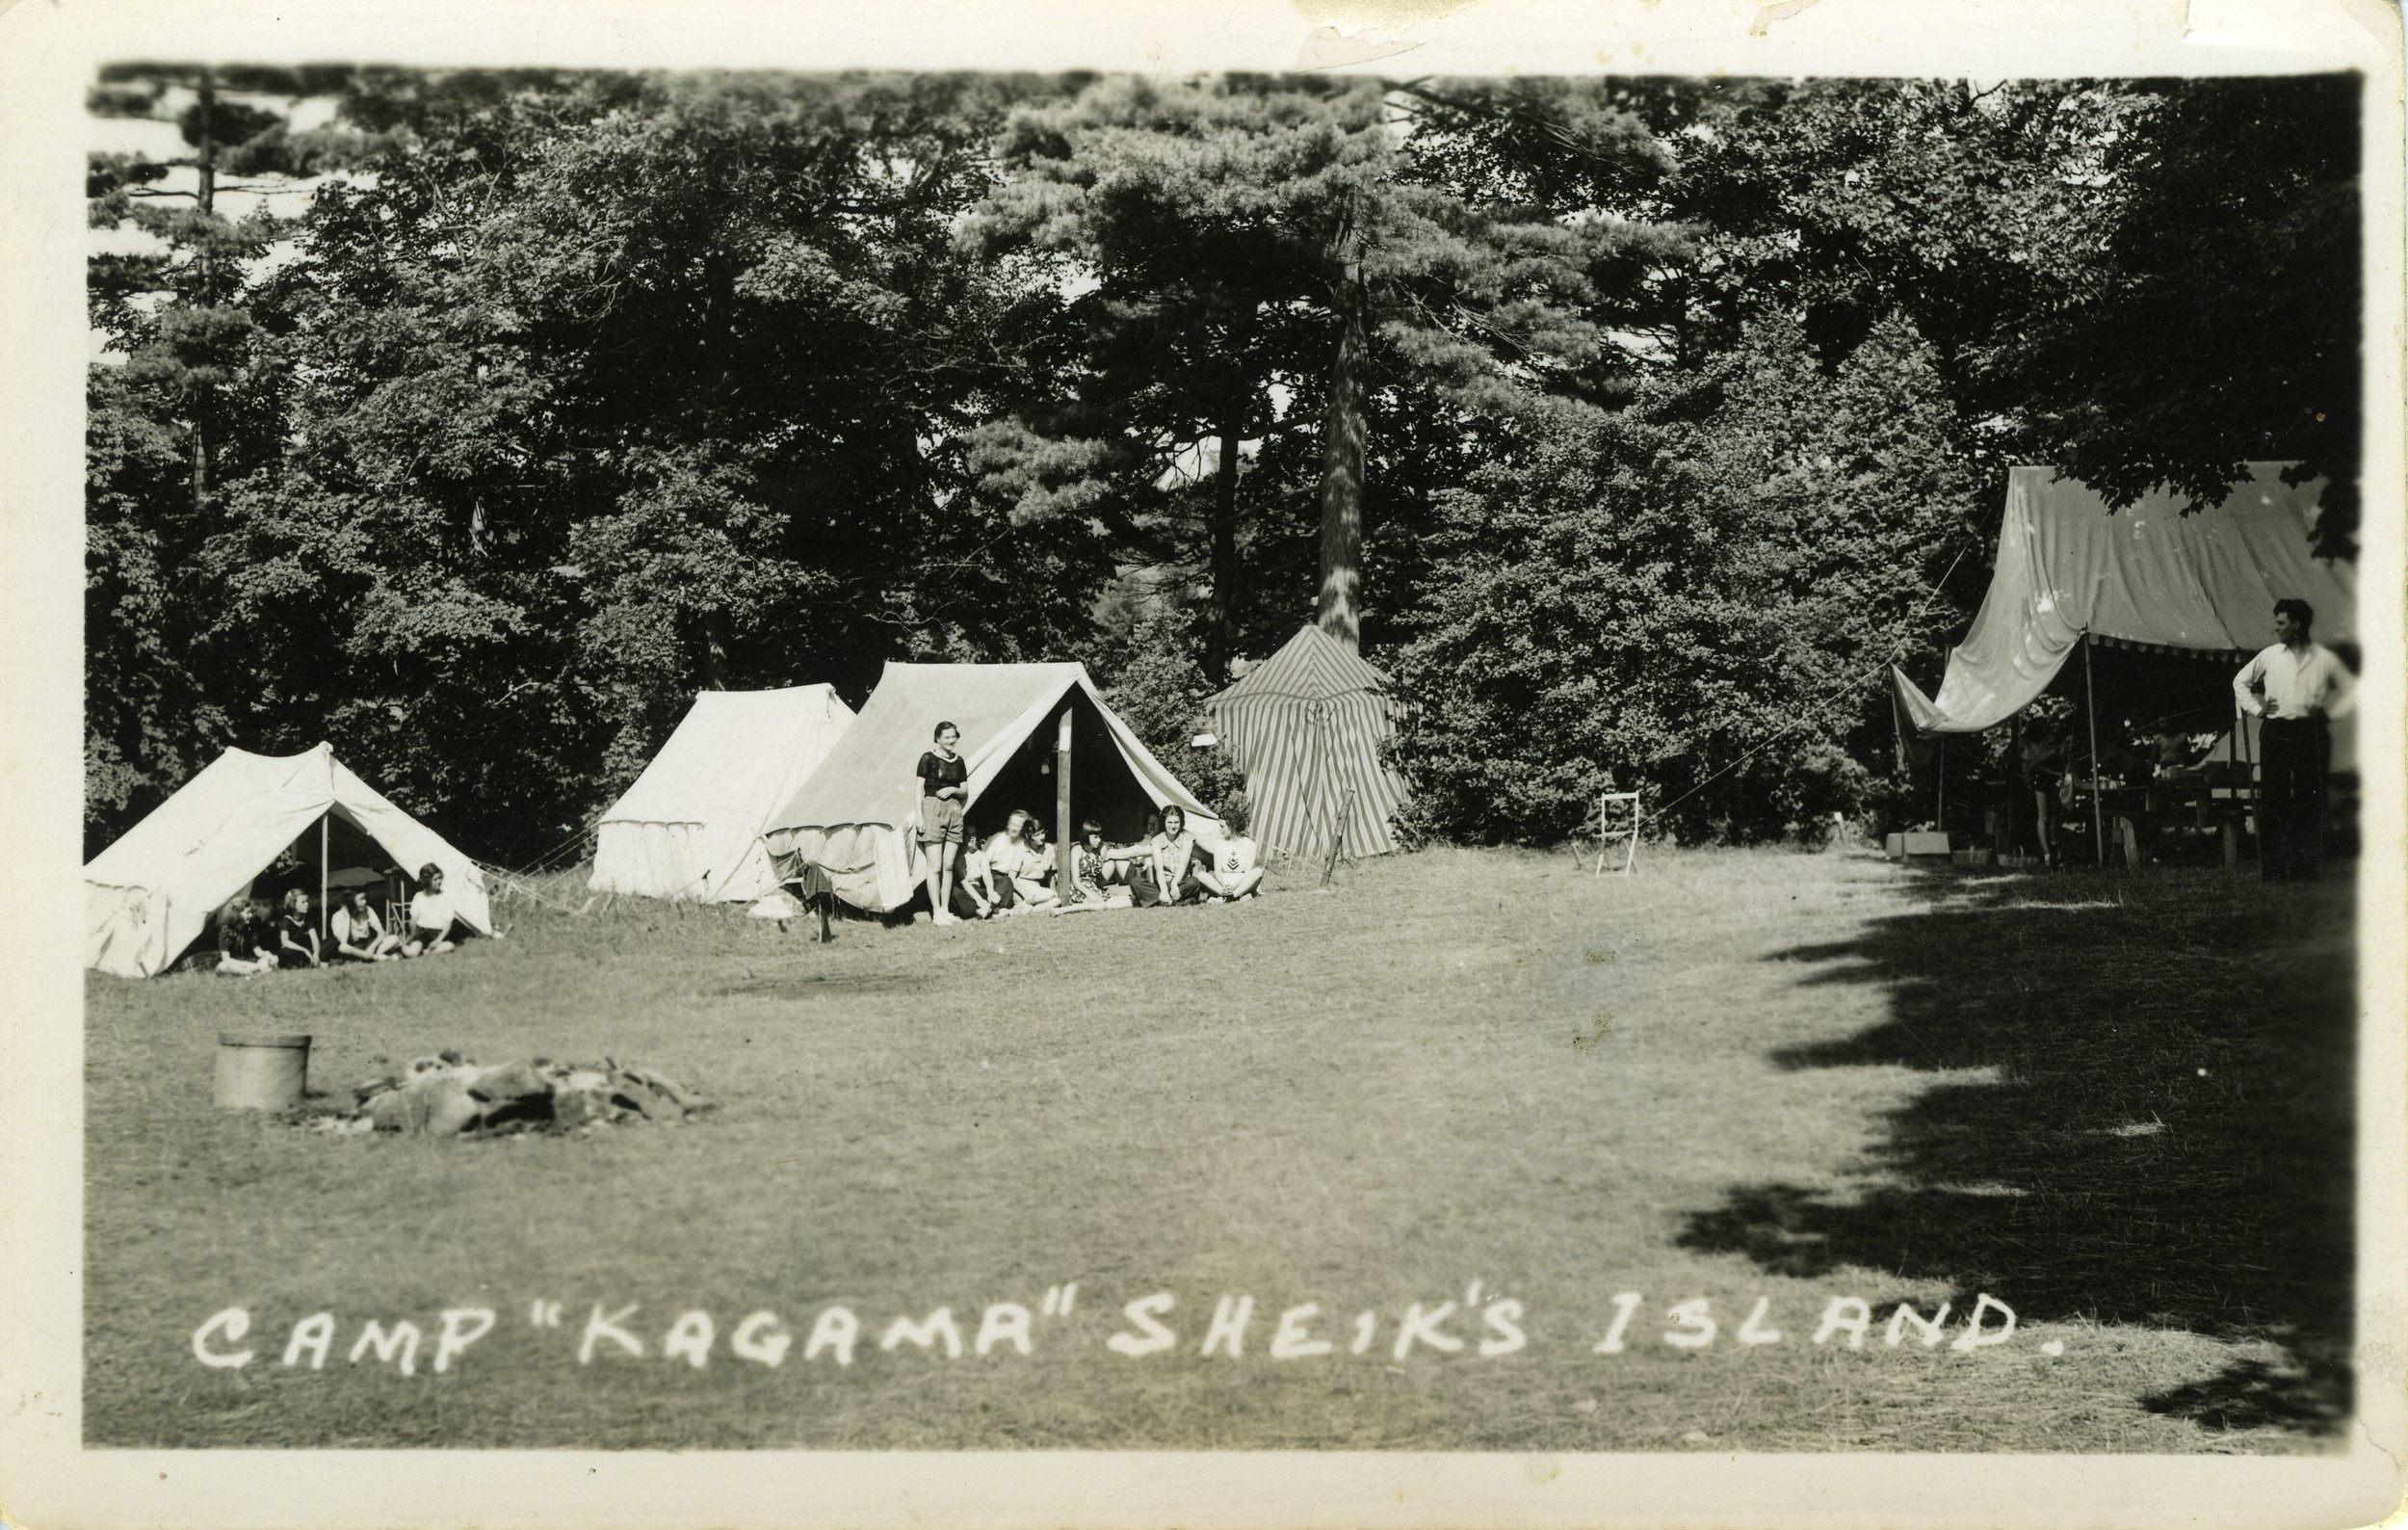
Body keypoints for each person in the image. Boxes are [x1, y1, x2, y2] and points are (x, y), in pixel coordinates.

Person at [2234, 597, 2356, 882]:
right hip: (2277, 732)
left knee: (2309, 798)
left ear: (2297, 625)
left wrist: (2330, 712)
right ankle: (2274, 870)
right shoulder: (2270, 655)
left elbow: (2352, 688)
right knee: (2273, 799)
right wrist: (2256, 708)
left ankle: (2305, 868)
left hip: (2309, 733)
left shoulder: (2323, 658)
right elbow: (2239, 681)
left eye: (2281, 623)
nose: (2275, 629)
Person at [917, 721, 970, 925]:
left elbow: (965, 790)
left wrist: (952, 790)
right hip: (932, 809)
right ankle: (936, 911)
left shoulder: (959, 761)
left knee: (948, 865)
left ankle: (946, 910)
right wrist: (920, 816)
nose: (951, 741)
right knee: (935, 866)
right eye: (947, 737)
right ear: (937, 738)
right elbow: (917, 790)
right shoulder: (928, 758)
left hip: (954, 811)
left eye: (954, 736)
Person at [1111, 804, 1208, 906]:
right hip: (1162, 883)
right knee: (1135, 882)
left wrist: (1174, 884)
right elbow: (1159, 869)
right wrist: (1164, 891)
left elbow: (1183, 866)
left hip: (1181, 883)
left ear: (1181, 823)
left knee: (1194, 882)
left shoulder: (1187, 839)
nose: (1173, 826)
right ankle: (1176, 902)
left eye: (1176, 822)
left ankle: (1158, 901)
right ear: (1164, 823)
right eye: (1170, 822)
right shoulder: (1157, 841)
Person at [1197, 802, 1265, 902]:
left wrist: (1233, 887)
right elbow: (1218, 872)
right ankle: (1228, 894)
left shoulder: (1250, 845)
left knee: (1258, 872)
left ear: (1232, 825)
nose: (1220, 830)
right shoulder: (1218, 843)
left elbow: (1247, 874)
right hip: (1223, 881)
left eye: (1222, 826)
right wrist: (1225, 886)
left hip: (1242, 881)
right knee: (1201, 875)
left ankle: (1231, 897)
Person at [403, 862, 461, 956]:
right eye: (435, 879)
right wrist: (412, 932)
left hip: (438, 933)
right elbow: (413, 920)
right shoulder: (419, 896)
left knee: (450, 946)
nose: (439, 881)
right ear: (427, 881)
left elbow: (448, 923)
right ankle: (402, 947)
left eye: (440, 878)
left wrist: (438, 940)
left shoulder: (446, 897)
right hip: (421, 932)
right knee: (411, 953)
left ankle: (425, 952)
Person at [214, 898, 279, 977]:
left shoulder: (250, 928)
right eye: (248, 913)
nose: (251, 915)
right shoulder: (226, 930)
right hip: (234, 963)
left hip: (251, 961)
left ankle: (250, 973)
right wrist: (249, 965)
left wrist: (269, 955)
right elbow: (226, 959)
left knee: (265, 961)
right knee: (222, 966)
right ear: (237, 914)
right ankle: (253, 972)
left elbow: (257, 950)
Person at [982, 810, 1031, 915]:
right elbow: (984, 863)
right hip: (991, 876)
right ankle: (996, 908)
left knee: (1009, 884)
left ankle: (991, 908)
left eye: (1018, 825)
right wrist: (990, 888)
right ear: (1008, 824)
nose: (1014, 828)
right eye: (1012, 824)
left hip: (1010, 879)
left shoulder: (1023, 843)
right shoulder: (999, 838)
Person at [330, 889, 402, 962]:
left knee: (395, 938)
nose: (365, 902)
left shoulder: (368, 909)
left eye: (364, 898)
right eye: (361, 899)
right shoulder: (338, 916)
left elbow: (381, 932)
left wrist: (372, 947)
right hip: (353, 948)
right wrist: (348, 917)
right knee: (342, 948)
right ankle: (374, 957)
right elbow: (343, 942)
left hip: (368, 943)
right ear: (351, 902)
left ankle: (367, 957)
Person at [1008, 816, 1061, 911]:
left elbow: (1050, 874)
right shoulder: (1020, 849)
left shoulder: (1049, 848)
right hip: (1022, 886)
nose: (1042, 837)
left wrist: (1054, 891)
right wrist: (1025, 895)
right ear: (1029, 836)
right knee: (1051, 895)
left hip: (1037, 887)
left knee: (1057, 900)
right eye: (1037, 835)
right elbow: (1011, 877)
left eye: (1042, 833)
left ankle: (1024, 909)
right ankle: (1021, 905)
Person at [274, 888, 325, 967]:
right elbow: (285, 941)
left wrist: (316, 954)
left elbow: (314, 939)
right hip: (296, 951)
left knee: (331, 941)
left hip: (308, 951)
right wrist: (305, 950)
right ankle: (315, 963)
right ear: (293, 905)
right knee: (284, 952)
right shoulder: (286, 920)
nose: (307, 904)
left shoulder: (307, 919)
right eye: (303, 902)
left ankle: (313, 961)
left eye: (307, 901)